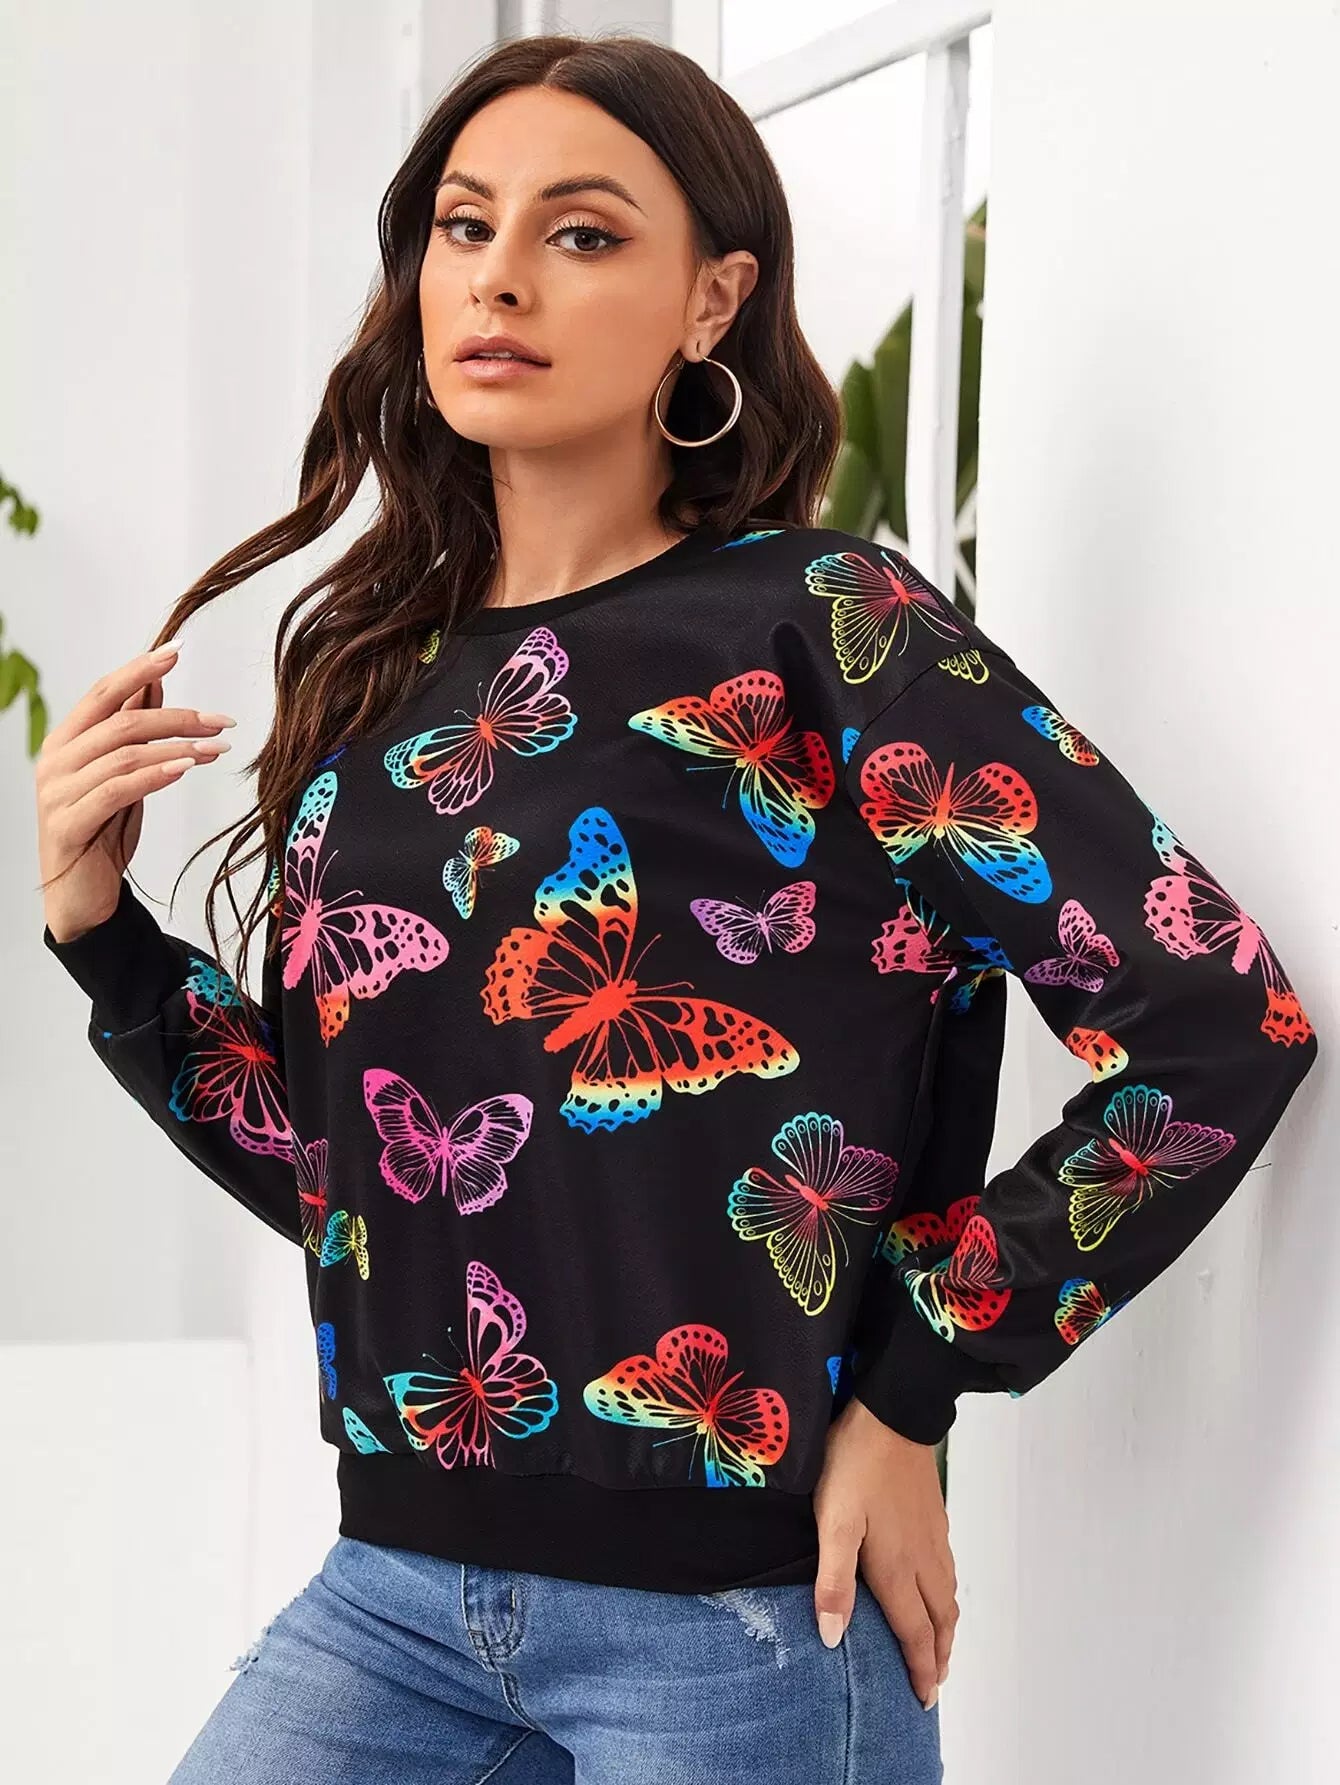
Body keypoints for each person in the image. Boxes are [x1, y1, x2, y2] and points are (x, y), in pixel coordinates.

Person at [35, 32, 1317, 1785]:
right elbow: (362, 1181)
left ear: (715, 298)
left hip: (741, 1620)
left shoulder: (827, 624)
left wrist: (912, 1387)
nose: (498, 276)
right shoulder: (389, 682)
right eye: (466, 226)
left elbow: (1218, 1018)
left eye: (580, 233)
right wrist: (103, 933)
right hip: (394, 1589)